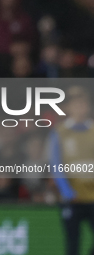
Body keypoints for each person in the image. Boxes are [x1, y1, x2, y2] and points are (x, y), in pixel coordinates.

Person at [49, 86, 94, 255]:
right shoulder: (60, 133)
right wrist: (67, 191)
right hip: (72, 199)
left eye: (83, 103)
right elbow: (56, 165)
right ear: (68, 107)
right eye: (75, 103)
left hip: (93, 197)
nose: (80, 107)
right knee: (72, 244)